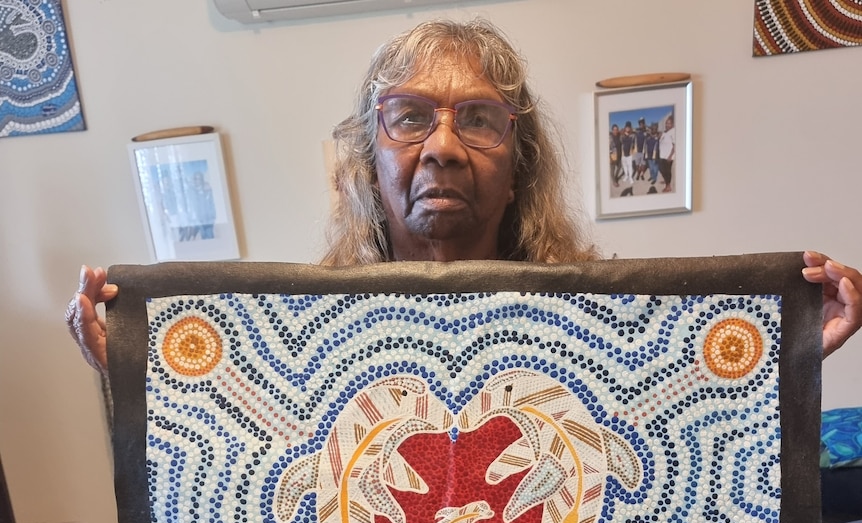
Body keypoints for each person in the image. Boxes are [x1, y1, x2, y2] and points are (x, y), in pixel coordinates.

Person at [66, 18, 862, 378]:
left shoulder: (603, 320)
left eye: (477, 119)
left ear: (518, 166)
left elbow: (671, 426)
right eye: (409, 116)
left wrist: (782, 358)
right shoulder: (299, 334)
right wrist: (139, 371)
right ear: (367, 160)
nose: (442, 145)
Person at [658, 115, 675, 193]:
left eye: (669, 123)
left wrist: (670, 156)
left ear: (672, 124)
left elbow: (675, 145)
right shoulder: (665, 132)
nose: (667, 125)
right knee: (662, 169)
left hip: (668, 157)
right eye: (666, 123)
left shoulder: (673, 132)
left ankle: (668, 187)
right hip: (662, 155)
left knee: (667, 172)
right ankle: (666, 181)